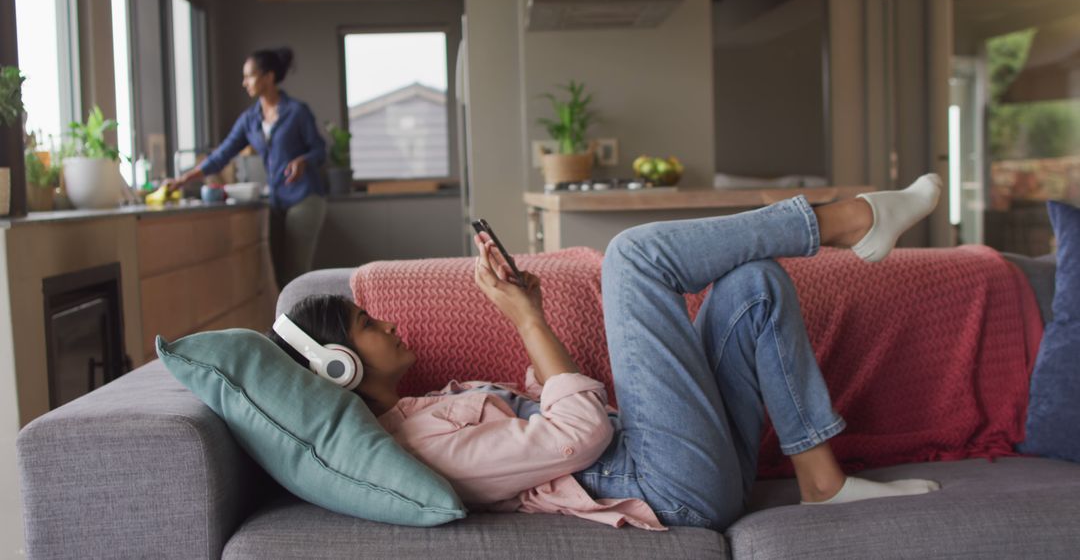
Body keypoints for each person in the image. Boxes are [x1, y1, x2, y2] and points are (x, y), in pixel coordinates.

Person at [269, 174, 945, 531]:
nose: (383, 323)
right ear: (339, 367)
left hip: (686, 467)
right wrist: (530, 322)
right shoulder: (416, 451)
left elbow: (558, 425)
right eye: (364, 324)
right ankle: (852, 218)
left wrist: (530, 316)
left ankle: (820, 481)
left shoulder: (427, 407)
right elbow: (581, 435)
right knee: (634, 256)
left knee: (752, 286)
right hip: (667, 489)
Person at [168, 47, 327, 289]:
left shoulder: (297, 112)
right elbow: (222, 154)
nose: (244, 82)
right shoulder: (250, 119)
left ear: (268, 77)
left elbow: (320, 150)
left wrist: (302, 160)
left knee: (295, 273)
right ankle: (284, 326)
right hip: (276, 201)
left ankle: (298, 326)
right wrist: (185, 179)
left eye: (249, 76)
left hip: (305, 198)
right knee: (274, 273)